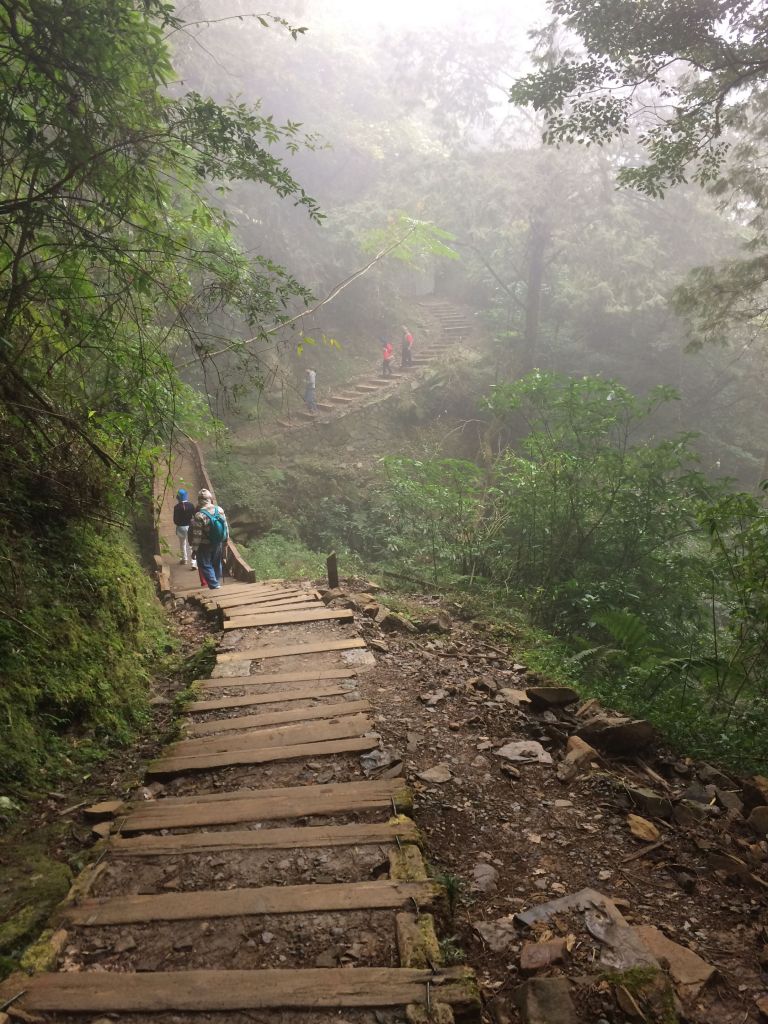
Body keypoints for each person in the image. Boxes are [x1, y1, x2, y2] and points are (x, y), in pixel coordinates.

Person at [190, 488, 229, 590]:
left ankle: (214, 585)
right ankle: (216, 582)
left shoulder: (199, 515)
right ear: (210, 499)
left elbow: (197, 535)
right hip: (218, 542)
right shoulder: (219, 510)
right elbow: (225, 527)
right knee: (216, 563)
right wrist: (226, 540)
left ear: (199, 501)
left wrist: (194, 549)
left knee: (205, 564)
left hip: (204, 545)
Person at [172, 488, 196, 567]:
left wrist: (179, 524)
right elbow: (195, 517)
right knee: (192, 544)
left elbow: (175, 520)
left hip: (181, 528)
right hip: (190, 527)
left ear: (178, 498)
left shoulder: (176, 507)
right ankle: (193, 563)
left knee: (182, 544)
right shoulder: (191, 505)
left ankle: (184, 559)